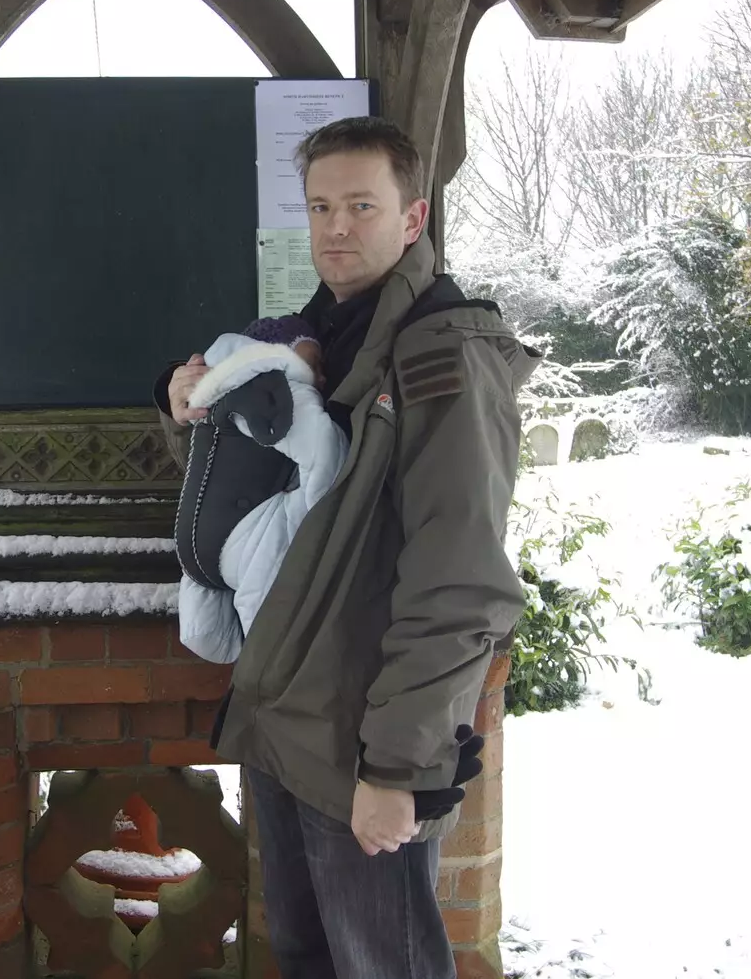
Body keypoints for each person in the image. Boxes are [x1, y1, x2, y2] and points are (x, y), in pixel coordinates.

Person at [152, 116, 540, 979]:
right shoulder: (307, 334)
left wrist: (398, 768)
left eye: (361, 205)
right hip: (286, 722)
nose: (335, 227)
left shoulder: (444, 353)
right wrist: (182, 398)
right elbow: (263, 485)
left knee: (382, 966)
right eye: (321, 206)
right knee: (304, 953)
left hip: (363, 736)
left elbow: (459, 580)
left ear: (413, 217)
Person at [173, 313, 346, 665]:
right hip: (246, 537)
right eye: (315, 362)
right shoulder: (282, 390)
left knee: (204, 632)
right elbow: (324, 455)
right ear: (285, 356)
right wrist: (315, 513)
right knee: (266, 608)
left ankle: (212, 638)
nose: (323, 376)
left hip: (192, 544)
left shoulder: (214, 386)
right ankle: (266, 663)